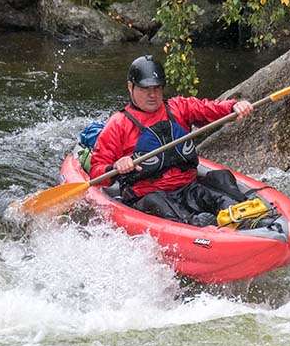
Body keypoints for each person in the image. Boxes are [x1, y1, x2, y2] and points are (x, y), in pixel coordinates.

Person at [89, 55, 255, 226]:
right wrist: (116, 166)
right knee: (158, 204)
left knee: (223, 190)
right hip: (148, 196)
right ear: (130, 87)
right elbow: (96, 172)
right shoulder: (118, 124)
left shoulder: (178, 107)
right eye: (145, 89)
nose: (152, 95)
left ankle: (246, 221)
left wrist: (233, 106)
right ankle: (197, 227)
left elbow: (210, 109)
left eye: (157, 88)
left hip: (188, 188)